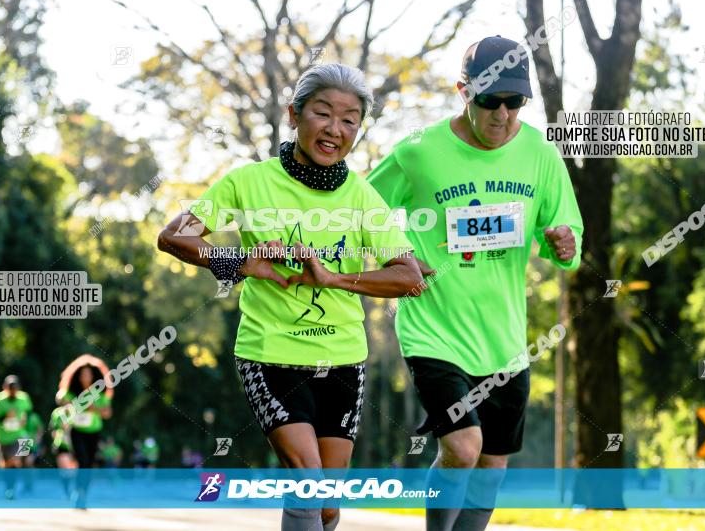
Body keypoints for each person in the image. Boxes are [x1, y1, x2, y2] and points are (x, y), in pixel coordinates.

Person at [157, 63, 424, 531]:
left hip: (342, 359)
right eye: (323, 114)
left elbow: (406, 276)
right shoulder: (248, 182)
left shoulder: (362, 196)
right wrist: (241, 262)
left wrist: (334, 280)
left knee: (326, 505)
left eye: (350, 120)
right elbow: (174, 237)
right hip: (271, 354)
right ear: (294, 115)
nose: (335, 130)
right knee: (308, 482)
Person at [367, 35, 584, 531]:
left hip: (503, 339)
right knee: (464, 447)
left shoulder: (540, 155)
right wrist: (395, 256)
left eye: (515, 102)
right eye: (490, 101)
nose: (503, 115)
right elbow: (361, 210)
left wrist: (565, 245)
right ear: (463, 91)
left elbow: (568, 235)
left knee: (491, 467)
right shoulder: (419, 153)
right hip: (434, 330)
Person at [56, 360, 112, 508]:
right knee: (82, 461)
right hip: (77, 431)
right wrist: (67, 404)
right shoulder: (72, 392)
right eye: (83, 374)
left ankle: (82, 493)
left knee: (88, 464)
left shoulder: (99, 392)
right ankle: (78, 492)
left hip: (93, 432)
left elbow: (107, 413)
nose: (86, 377)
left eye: (89, 374)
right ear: (77, 376)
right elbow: (60, 398)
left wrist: (95, 409)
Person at [0, 375, 33, 480]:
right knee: (5, 465)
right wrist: (5, 416)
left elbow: (29, 412)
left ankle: (27, 481)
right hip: (2, 438)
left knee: (21, 457)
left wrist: (25, 418)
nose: (12, 391)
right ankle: (10, 487)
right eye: (10, 388)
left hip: (20, 435)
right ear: (5, 387)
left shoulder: (24, 397)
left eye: (15, 388)